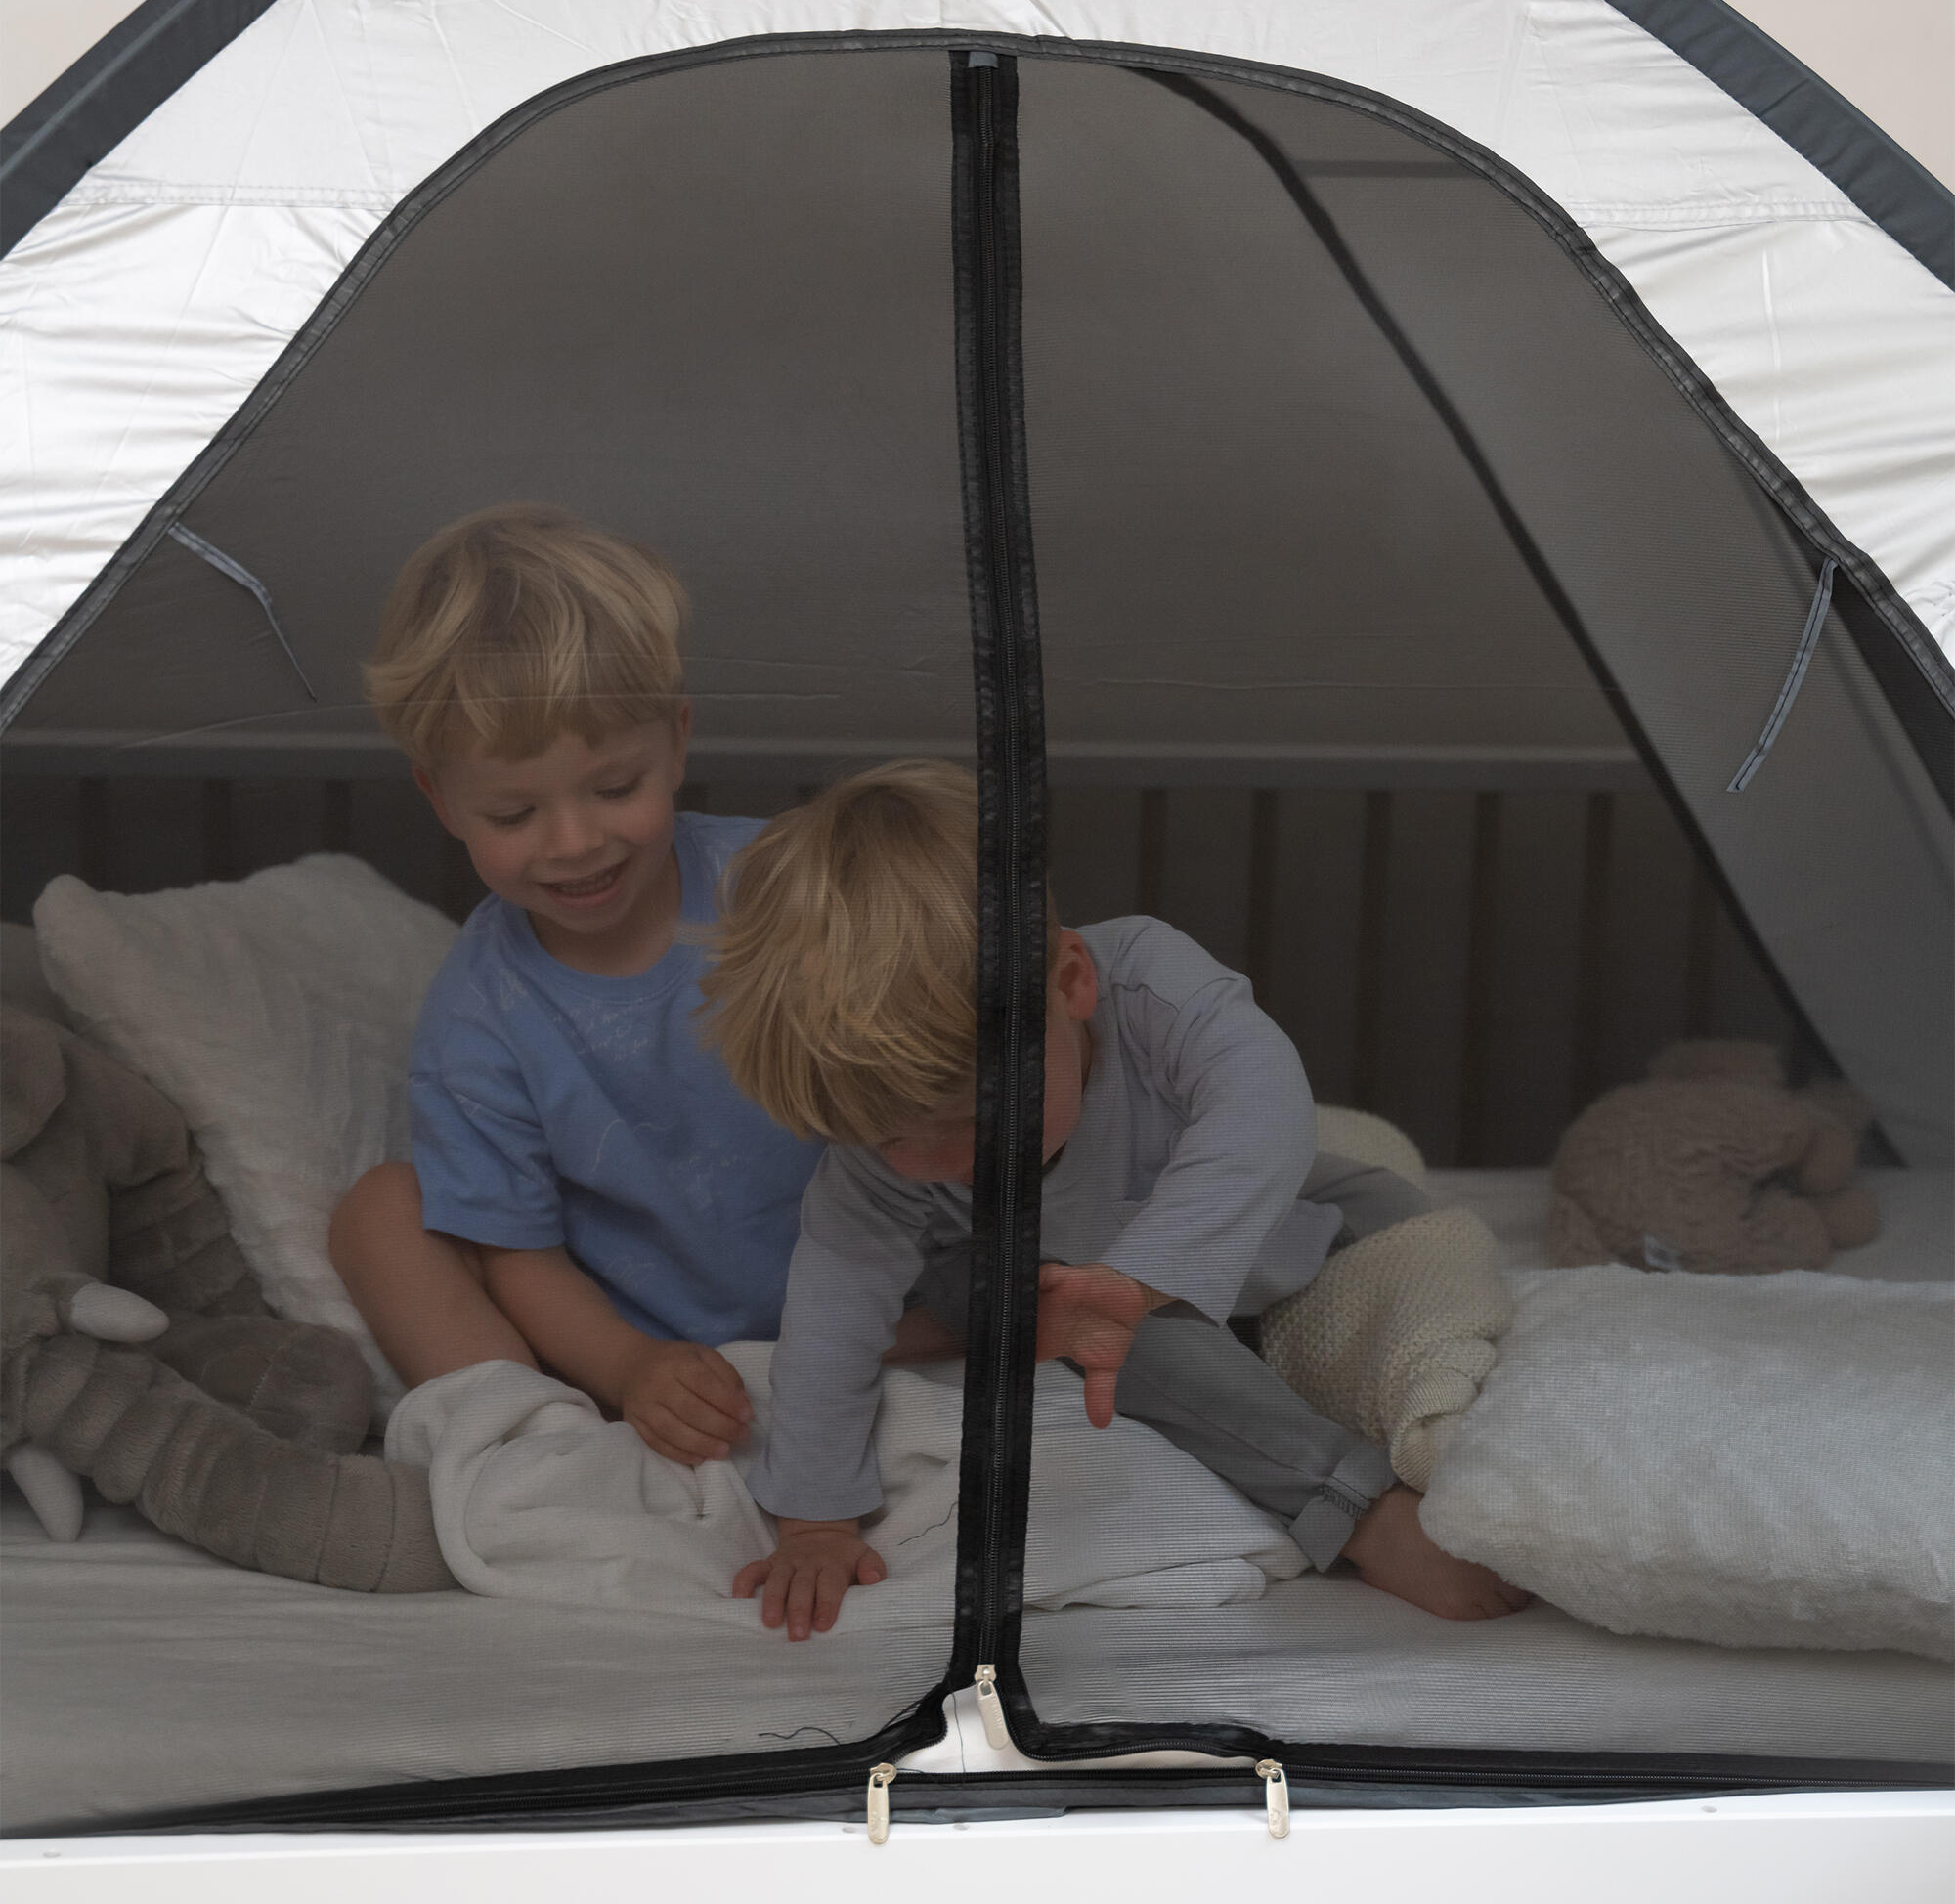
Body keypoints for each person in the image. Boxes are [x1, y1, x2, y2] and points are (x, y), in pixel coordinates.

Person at [698, 759, 1530, 1639]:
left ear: (1071, 984)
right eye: (893, 1141)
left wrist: (1144, 1272)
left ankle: (1441, 1371)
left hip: (1158, 1224)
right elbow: (829, 1317)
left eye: (974, 1119)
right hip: (1031, 1276)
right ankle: (1357, 1510)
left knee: (1389, 1205)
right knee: (1134, 1341)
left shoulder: (1150, 987)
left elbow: (1263, 1104)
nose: (946, 1162)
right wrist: (816, 1520)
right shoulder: (879, 1170)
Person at [329, 505, 823, 1466]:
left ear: (677, 741)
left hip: (873, 1303)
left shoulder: (790, 887)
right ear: (441, 799)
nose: (574, 842)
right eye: (514, 813)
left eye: (614, 788)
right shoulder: (480, 1018)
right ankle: (540, 1454)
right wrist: (634, 1368)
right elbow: (520, 1254)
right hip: (635, 1355)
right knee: (379, 1213)